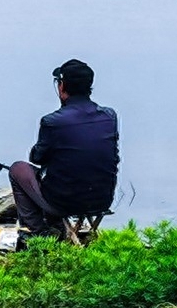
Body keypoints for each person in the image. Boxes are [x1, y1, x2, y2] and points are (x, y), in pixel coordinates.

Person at [8, 59, 118, 241]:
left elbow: (37, 157)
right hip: (102, 200)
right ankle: (57, 228)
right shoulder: (109, 116)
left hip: (63, 204)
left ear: (62, 86)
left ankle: (37, 233)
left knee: (18, 169)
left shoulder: (52, 122)